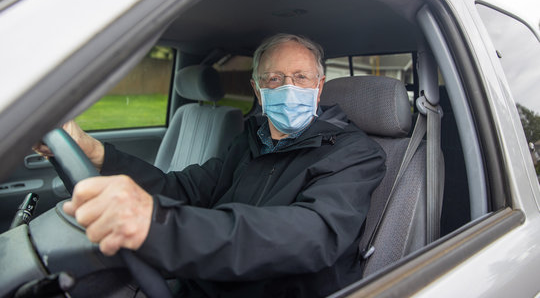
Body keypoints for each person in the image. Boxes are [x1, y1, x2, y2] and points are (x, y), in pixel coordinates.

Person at [36, 33, 386, 297]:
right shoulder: (250, 142)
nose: (289, 87)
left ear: (319, 86)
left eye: (301, 77)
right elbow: (183, 190)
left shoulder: (353, 153)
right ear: (257, 89)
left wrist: (160, 225)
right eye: (274, 79)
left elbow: (311, 235)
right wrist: (96, 153)